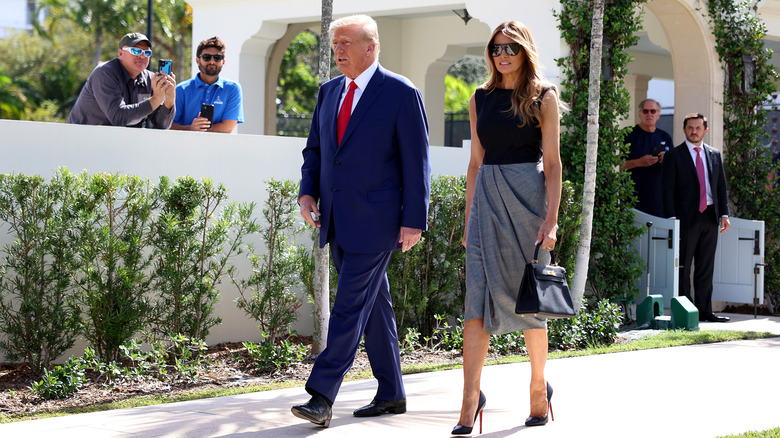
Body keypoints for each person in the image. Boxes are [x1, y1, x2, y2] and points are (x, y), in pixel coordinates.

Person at [292, 15, 431, 428]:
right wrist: (306, 191)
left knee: (350, 307)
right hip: (337, 219)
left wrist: (414, 220)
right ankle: (391, 393)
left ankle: (321, 395)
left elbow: (416, 161)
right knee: (375, 309)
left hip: (379, 222)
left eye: (346, 43)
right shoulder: (329, 92)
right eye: (335, 43)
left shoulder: (400, 92)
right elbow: (315, 150)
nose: (338, 50)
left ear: (371, 47)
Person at [454, 21, 562, 434]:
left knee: (530, 298)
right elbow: (475, 163)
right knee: (476, 300)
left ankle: (538, 388)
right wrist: (469, 221)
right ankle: (469, 399)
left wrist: (550, 221)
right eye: (496, 48)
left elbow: (552, 165)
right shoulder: (478, 98)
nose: (502, 54)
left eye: (510, 48)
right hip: (486, 201)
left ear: (524, 52)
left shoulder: (543, 96)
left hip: (528, 203)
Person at [661, 113, 731, 322]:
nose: (694, 131)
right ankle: (686, 312)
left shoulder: (714, 154)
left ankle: (705, 311)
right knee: (683, 267)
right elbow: (666, 189)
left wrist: (725, 214)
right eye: (690, 127)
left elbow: (720, 187)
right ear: (684, 129)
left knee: (705, 266)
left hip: (710, 217)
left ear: (705, 130)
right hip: (684, 218)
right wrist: (671, 218)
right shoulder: (674, 155)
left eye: (698, 128)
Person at [68, 32, 175, 128]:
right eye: (136, 51)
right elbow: (118, 117)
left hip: (122, 144)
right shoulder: (105, 73)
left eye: (147, 53)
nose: (142, 56)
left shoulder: (149, 79)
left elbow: (162, 124)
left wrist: (169, 100)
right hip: (83, 142)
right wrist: (155, 100)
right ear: (120, 53)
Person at [171, 36, 244, 133]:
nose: (212, 61)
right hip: (187, 146)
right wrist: (190, 128)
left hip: (220, 147)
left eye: (217, 58)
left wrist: (199, 130)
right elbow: (169, 125)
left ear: (223, 61)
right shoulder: (181, 90)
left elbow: (228, 127)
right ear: (198, 60)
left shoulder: (232, 89)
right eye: (206, 57)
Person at [622, 99, 673, 216]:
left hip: (659, 200)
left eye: (653, 111)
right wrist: (639, 162)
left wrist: (667, 160)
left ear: (658, 115)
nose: (649, 114)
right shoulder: (627, 135)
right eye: (645, 111)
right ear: (639, 113)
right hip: (633, 199)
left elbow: (673, 168)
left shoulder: (665, 136)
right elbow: (614, 166)